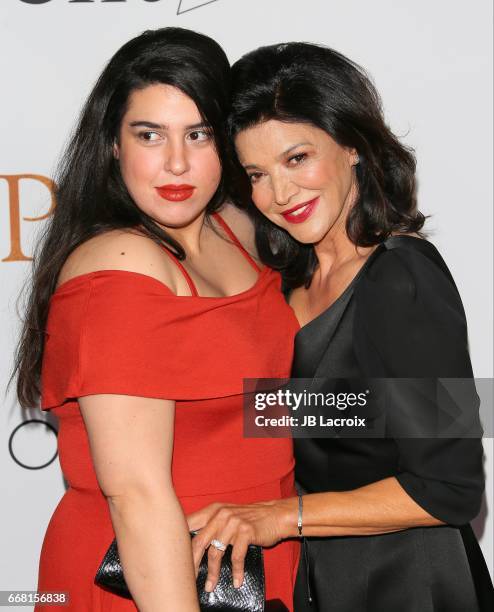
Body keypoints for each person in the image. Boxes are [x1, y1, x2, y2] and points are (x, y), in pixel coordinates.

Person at [187, 42, 494, 611]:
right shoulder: (287, 277)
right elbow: (338, 417)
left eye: (297, 158)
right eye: (257, 173)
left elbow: (451, 487)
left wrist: (281, 516)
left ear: (352, 145)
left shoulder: (403, 277)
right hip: (321, 576)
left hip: (408, 582)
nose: (279, 194)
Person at [13, 29, 300, 611]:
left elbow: (262, 402)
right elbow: (138, 495)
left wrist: (443, 411)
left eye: (199, 134)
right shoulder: (121, 265)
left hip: (252, 552)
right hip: (150, 577)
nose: (176, 163)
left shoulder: (235, 228)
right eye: (150, 135)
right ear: (114, 144)